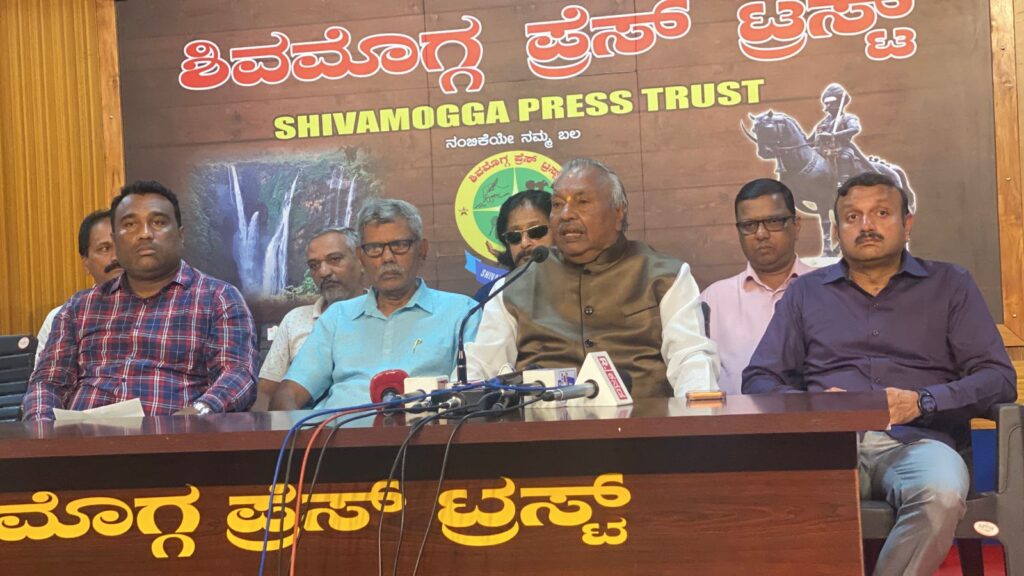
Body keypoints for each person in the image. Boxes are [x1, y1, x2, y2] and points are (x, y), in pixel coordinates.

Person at [742, 172, 1017, 575]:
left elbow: (998, 378)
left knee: (940, 493)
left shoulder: (949, 284)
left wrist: (922, 401)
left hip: (921, 441)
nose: (866, 225)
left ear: (907, 223)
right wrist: (814, 405)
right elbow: (759, 379)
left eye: (881, 213)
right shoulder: (806, 293)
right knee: (780, 495)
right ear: (836, 230)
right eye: (852, 217)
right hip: (830, 444)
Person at [466, 158, 718, 398]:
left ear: (618, 213)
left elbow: (691, 357)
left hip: (643, 421)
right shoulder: (516, 285)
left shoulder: (665, 275)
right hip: (543, 422)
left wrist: (696, 416)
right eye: (557, 204)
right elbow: (482, 367)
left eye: (582, 202)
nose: (566, 214)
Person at [22, 181, 258, 420]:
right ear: (116, 240)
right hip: (82, 437)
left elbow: (238, 375)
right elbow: (47, 383)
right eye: (130, 225)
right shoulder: (79, 308)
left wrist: (196, 414)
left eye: (158, 222)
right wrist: (43, 429)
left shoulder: (219, 299)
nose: (145, 233)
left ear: (181, 235)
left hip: (175, 435)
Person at [269, 198, 479, 410]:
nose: (387, 258)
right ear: (361, 257)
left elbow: (473, 396)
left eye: (399, 245)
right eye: (375, 248)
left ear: (422, 250)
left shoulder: (462, 312)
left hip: (425, 428)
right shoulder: (337, 317)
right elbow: (289, 393)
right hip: (336, 429)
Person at [701, 179, 812, 395]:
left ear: (796, 225)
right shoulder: (714, 299)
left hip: (818, 414)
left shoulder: (826, 289)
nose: (761, 234)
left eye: (773, 221)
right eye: (749, 225)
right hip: (736, 416)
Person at [253, 227, 364, 411]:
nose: (323, 272)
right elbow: (266, 392)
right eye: (314, 265)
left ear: (361, 260)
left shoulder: (381, 316)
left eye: (334, 259)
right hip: (301, 425)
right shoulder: (295, 320)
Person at [35, 210, 123, 367]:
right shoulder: (61, 318)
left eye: (122, 246)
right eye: (104, 248)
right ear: (85, 262)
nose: (116, 257)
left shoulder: (163, 312)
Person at [473, 189, 554, 302]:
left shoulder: (579, 286)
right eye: (514, 236)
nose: (524, 243)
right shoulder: (491, 296)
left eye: (536, 231)